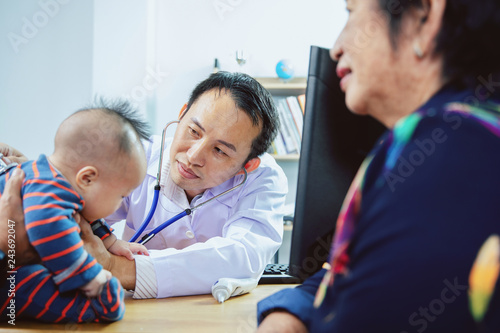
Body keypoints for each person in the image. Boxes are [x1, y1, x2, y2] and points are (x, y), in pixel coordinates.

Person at [257, 0, 500, 332]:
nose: (336, 49)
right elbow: (349, 267)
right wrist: (290, 309)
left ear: (423, 16)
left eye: (352, 13)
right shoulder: (467, 133)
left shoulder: (449, 152)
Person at [2, 71, 287, 300]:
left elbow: (242, 258)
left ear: (246, 165)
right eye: (193, 131)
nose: (192, 156)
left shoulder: (264, 180)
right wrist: (38, 192)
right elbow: (74, 209)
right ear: (183, 112)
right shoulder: (132, 156)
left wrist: (116, 266)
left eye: (220, 151)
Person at [0, 102, 150, 323]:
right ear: (87, 178)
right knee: (34, 286)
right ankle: (93, 306)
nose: (120, 204)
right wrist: (89, 276)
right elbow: (47, 226)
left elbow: (85, 215)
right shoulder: (49, 187)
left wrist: (111, 242)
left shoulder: (45, 176)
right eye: (121, 196)